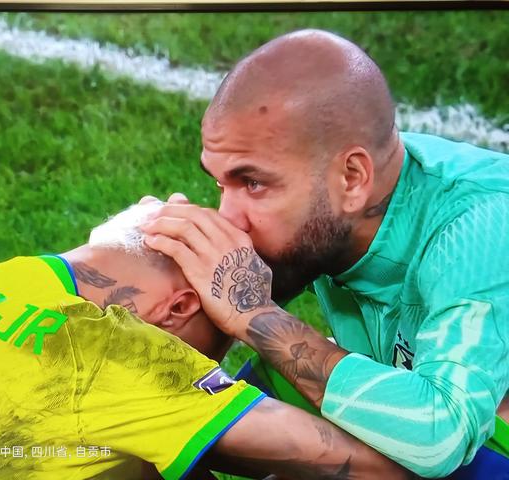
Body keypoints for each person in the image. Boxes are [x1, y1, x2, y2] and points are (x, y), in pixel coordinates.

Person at [140, 29, 509, 479]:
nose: (229, 217)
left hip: (472, 430)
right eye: (221, 184)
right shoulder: (330, 178)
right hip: (413, 382)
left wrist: (254, 314)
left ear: (352, 179)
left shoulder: (479, 226)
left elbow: (440, 436)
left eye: (253, 183)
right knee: (182, 426)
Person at [0, 202, 408, 480]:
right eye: (222, 340)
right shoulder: (122, 356)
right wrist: (253, 315)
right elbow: (384, 468)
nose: (212, 364)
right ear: (180, 308)